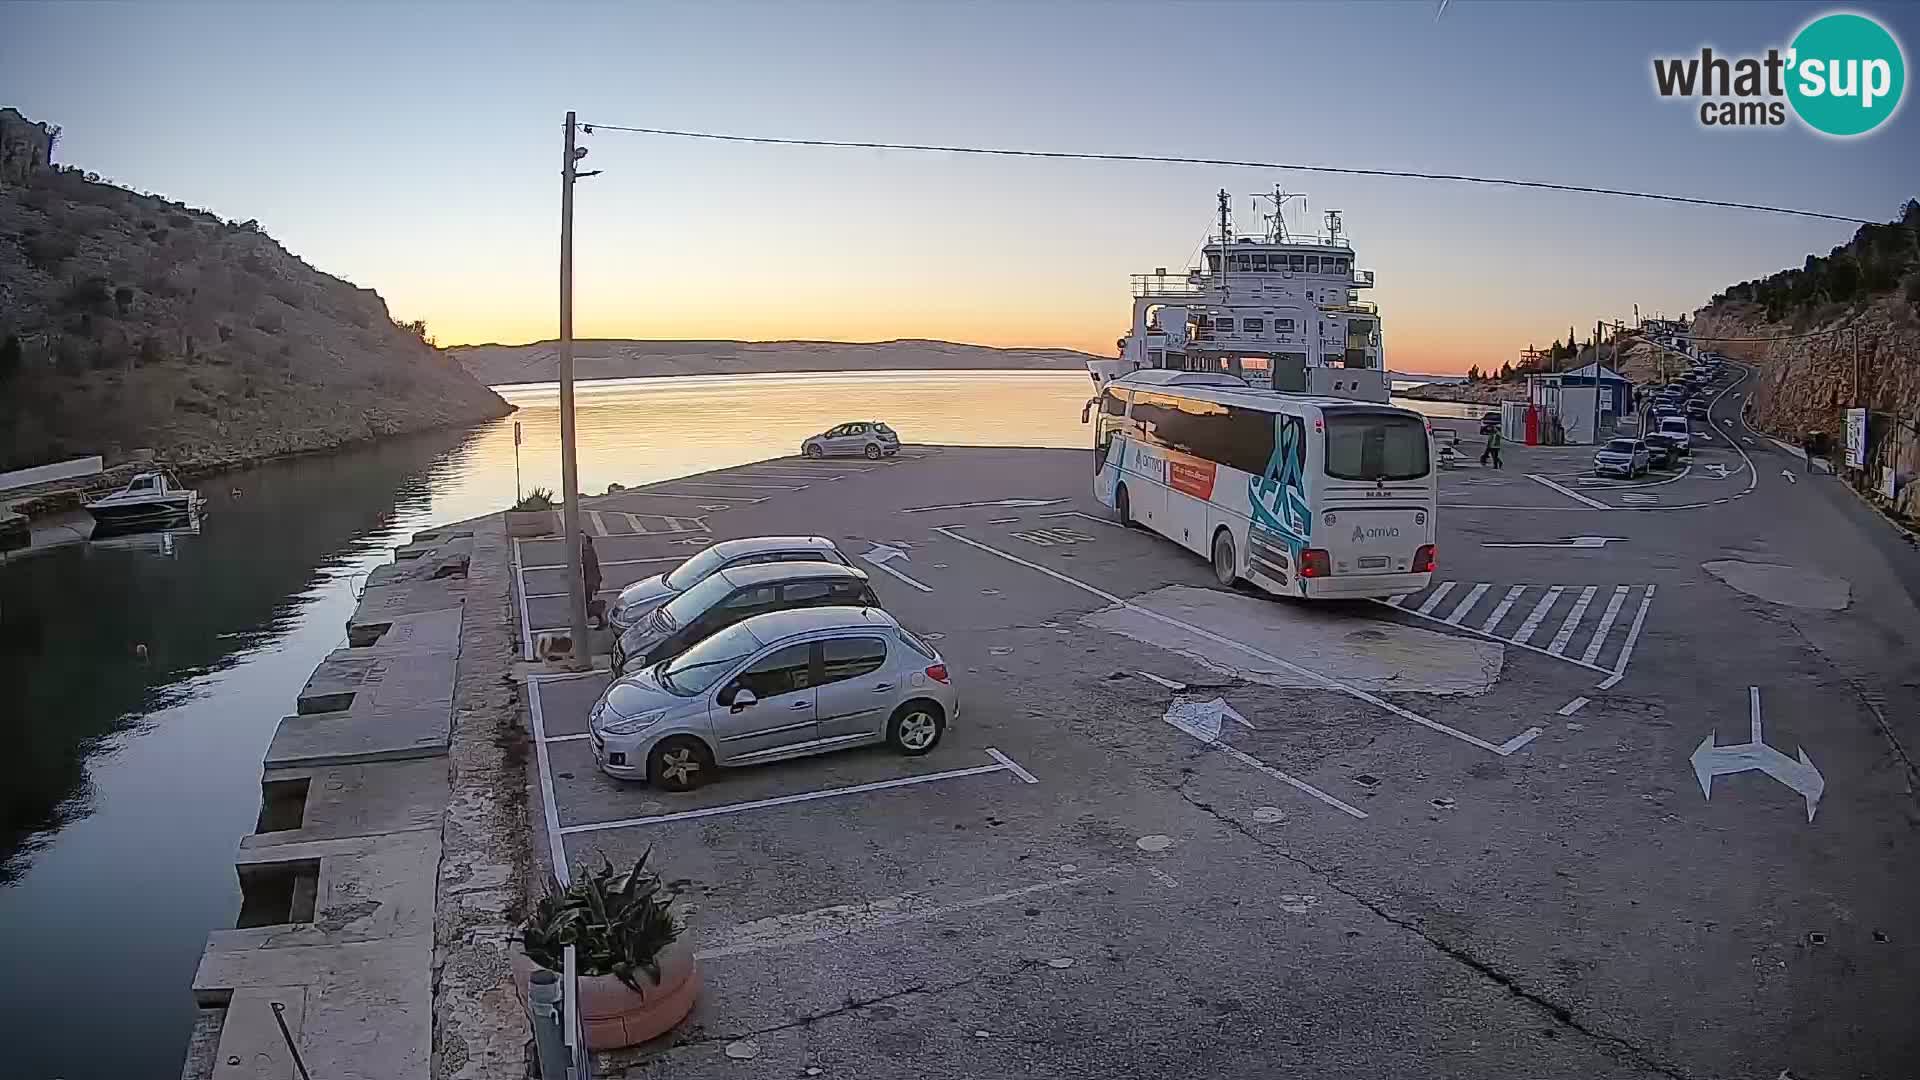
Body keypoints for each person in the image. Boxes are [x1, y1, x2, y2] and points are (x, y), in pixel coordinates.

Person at [580, 530, 603, 628]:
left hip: (588, 582)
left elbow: (590, 568)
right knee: (585, 603)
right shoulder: (588, 549)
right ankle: (600, 616)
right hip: (589, 581)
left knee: (584, 604)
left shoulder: (586, 551)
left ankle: (600, 611)